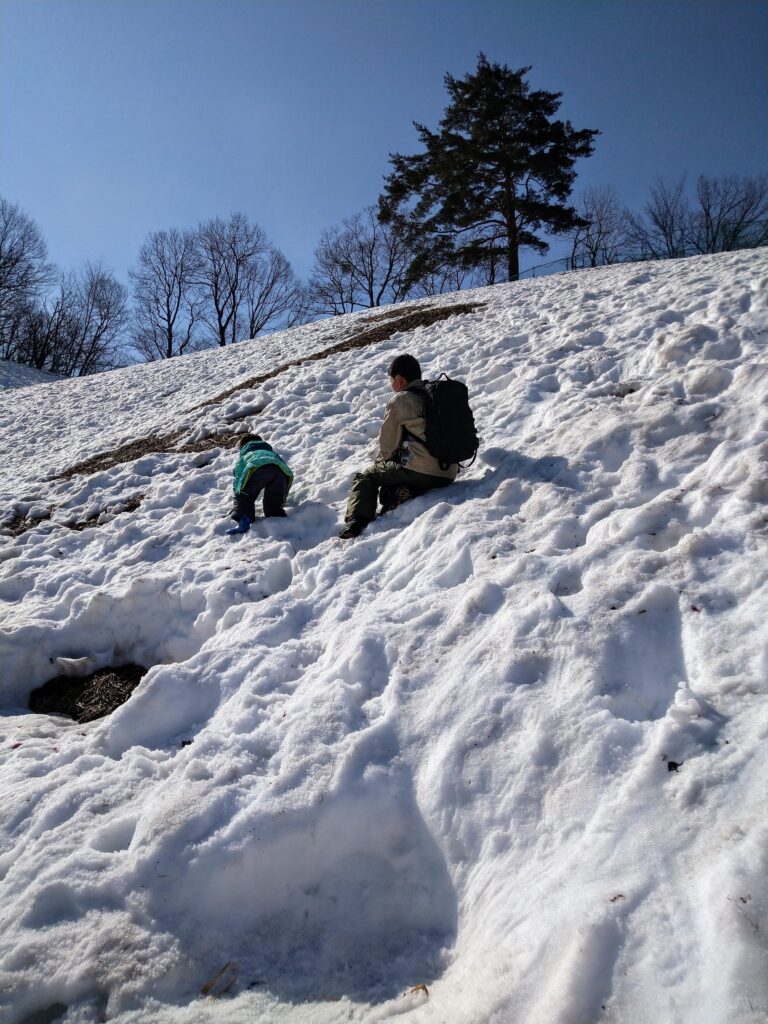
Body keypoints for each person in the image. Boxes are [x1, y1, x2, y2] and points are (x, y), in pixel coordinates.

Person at [340, 353, 457, 539]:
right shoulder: (435, 395)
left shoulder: (400, 400)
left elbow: (387, 448)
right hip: (449, 471)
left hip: (422, 471)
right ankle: (405, 492)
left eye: (391, 379)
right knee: (405, 473)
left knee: (366, 477)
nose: (390, 383)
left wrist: (380, 466)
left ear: (400, 379)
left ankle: (356, 521)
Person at [226, 433, 293, 535]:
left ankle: (244, 519)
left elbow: (239, 476)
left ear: (243, 447)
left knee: (244, 495)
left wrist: (238, 496)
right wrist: (282, 497)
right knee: (274, 498)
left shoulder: (245, 455)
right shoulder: (270, 452)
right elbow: (283, 467)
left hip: (256, 468)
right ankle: (276, 515)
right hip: (280, 471)